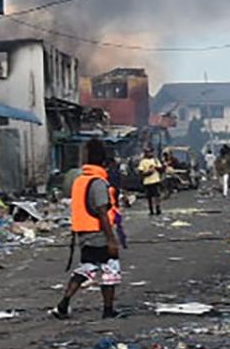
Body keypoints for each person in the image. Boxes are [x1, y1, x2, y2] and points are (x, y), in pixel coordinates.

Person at [51, 138, 122, 321]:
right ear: (104, 162)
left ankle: (63, 304)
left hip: (83, 233)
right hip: (99, 233)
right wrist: (111, 239)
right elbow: (102, 213)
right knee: (110, 269)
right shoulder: (98, 183)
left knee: (87, 268)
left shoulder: (80, 180)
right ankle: (108, 309)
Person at [137, 151, 163, 217]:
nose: (150, 154)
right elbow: (140, 172)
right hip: (147, 182)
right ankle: (151, 210)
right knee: (149, 197)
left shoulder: (155, 160)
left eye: (151, 152)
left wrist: (156, 168)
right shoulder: (143, 162)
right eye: (148, 152)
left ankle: (158, 209)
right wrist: (149, 172)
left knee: (157, 196)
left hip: (156, 180)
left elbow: (161, 169)